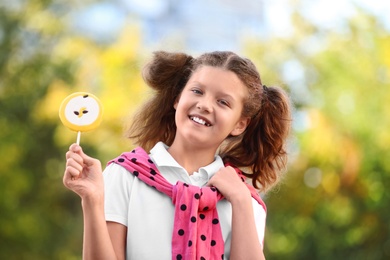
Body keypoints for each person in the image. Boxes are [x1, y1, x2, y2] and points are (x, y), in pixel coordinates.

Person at [63, 51, 292, 260]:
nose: (204, 105)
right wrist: (92, 200)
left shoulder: (245, 201)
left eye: (223, 102)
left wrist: (241, 202)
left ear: (240, 124)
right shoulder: (124, 175)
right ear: (177, 99)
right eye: (197, 91)